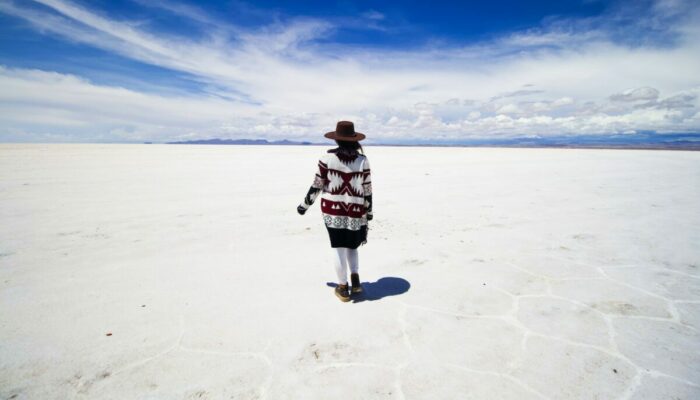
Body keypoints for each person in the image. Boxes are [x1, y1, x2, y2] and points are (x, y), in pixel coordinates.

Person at [297, 121, 373, 302]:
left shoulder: (326, 159)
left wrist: (304, 206)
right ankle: (355, 282)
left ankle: (342, 287)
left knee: (338, 248)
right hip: (355, 210)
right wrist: (369, 212)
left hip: (333, 211)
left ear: (337, 140)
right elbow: (367, 189)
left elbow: (317, 185)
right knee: (352, 246)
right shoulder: (363, 160)